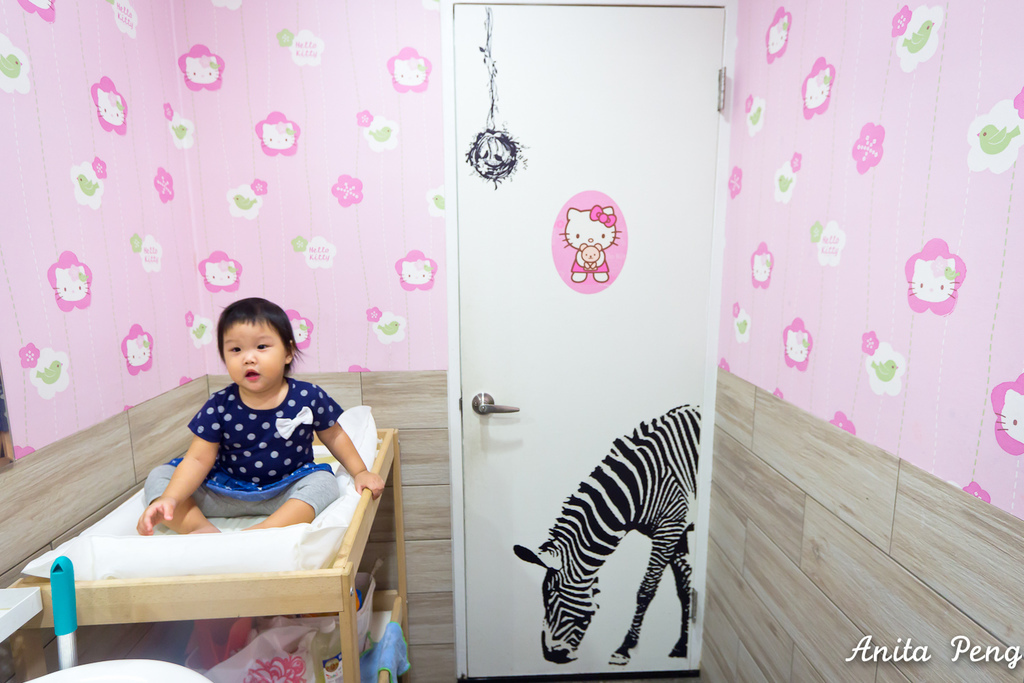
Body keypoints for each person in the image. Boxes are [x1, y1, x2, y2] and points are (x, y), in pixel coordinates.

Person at [138, 297, 384, 535]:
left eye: (261, 347)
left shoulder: (308, 396)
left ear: (288, 352)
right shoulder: (219, 405)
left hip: (285, 489)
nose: (249, 358)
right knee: (160, 477)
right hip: (222, 491)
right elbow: (197, 460)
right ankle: (199, 529)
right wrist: (171, 498)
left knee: (324, 482)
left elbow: (335, 436)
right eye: (236, 349)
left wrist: (360, 472)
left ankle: (264, 531)